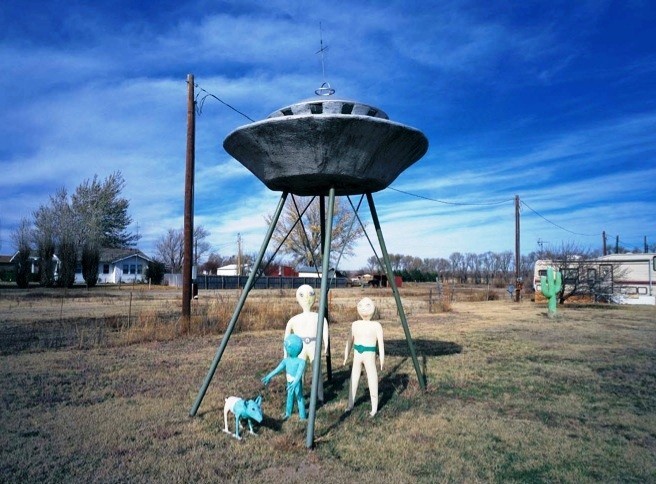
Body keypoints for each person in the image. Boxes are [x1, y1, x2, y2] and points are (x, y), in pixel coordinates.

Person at [284, 284, 329, 401]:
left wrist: (326, 347)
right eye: (302, 295)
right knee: (299, 372)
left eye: (310, 294)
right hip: (300, 346)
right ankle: (299, 395)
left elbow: (325, 332)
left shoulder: (319, 317)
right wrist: (285, 353)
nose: (307, 298)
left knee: (317, 371)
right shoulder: (294, 320)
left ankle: (320, 395)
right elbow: (286, 339)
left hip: (314, 345)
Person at [344, 297, 385, 416]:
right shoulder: (355, 324)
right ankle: (350, 404)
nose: (364, 309)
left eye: (368, 306)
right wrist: (346, 355)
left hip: (369, 356)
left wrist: (382, 359)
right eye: (361, 306)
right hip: (357, 355)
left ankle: (374, 408)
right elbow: (349, 342)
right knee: (354, 379)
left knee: (372, 379)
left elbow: (381, 344)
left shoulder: (376, 326)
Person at [262, 334, 307, 420]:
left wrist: (295, 383)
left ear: (291, 348)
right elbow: (277, 369)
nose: (286, 348)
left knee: (299, 398)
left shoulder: (301, 362)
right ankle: (288, 413)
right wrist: (269, 376)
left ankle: (302, 416)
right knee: (289, 397)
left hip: (296, 383)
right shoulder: (286, 360)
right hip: (289, 382)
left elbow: (299, 374)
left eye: (287, 347)